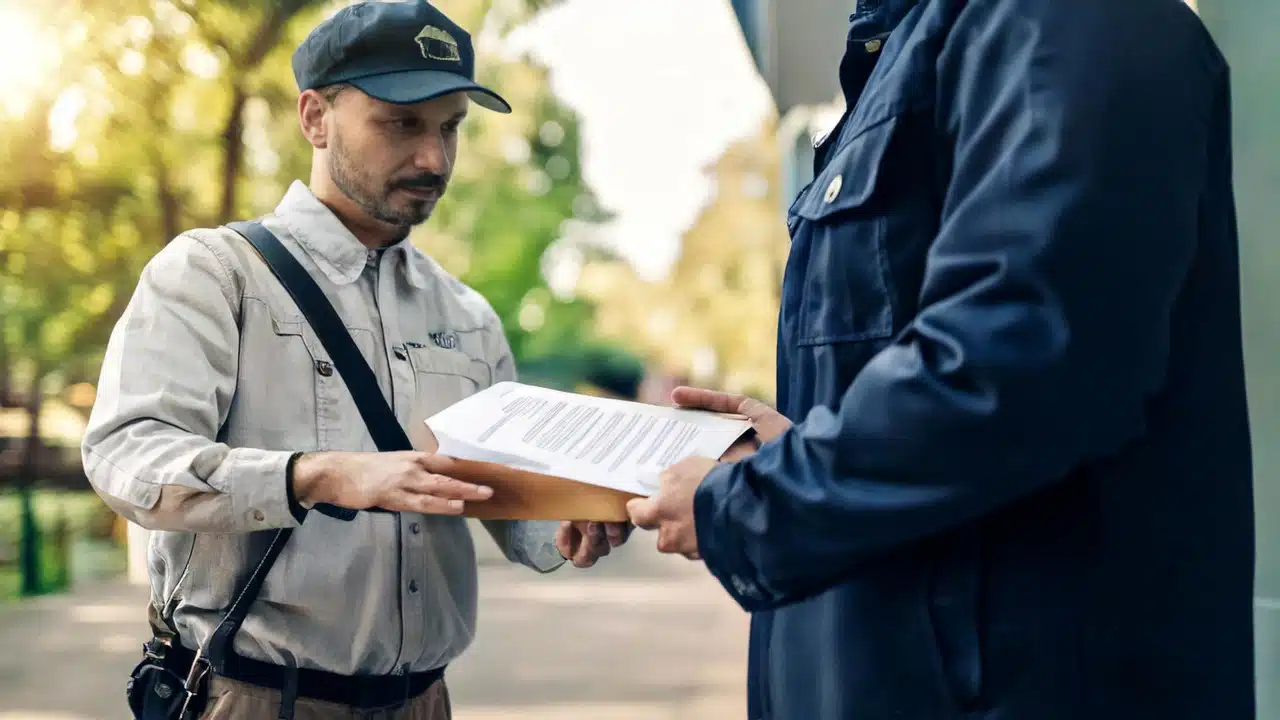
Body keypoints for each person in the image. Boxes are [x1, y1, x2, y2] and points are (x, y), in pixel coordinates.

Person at [627, 0, 1255, 718]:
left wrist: (746, 506)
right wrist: (789, 449)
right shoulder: (924, 45)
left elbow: (1017, 363)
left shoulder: (1066, 20)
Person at [82, 2, 627, 718]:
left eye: (450, 127)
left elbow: (502, 503)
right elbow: (126, 457)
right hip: (254, 701)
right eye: (402, 124)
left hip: (425, 703)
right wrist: (319, 475)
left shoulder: (467, 318)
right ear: (315, 117)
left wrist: (568, 522)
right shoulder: (213, 276)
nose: (433, 158)